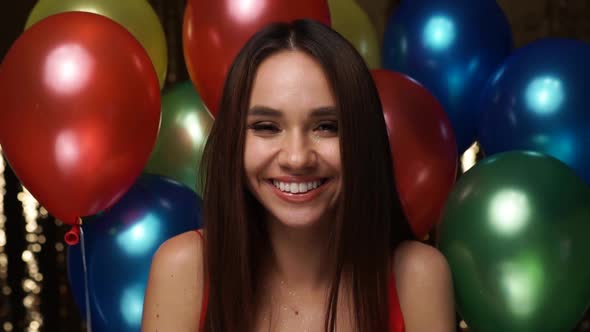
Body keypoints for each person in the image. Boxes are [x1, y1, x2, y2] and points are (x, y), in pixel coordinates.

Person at [142, 19, 455, 332]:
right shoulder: (184, 270)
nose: (297, 157)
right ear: (233, 141)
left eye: (327, 126)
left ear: (364, 138)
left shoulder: (418, 277)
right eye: (266, 127)